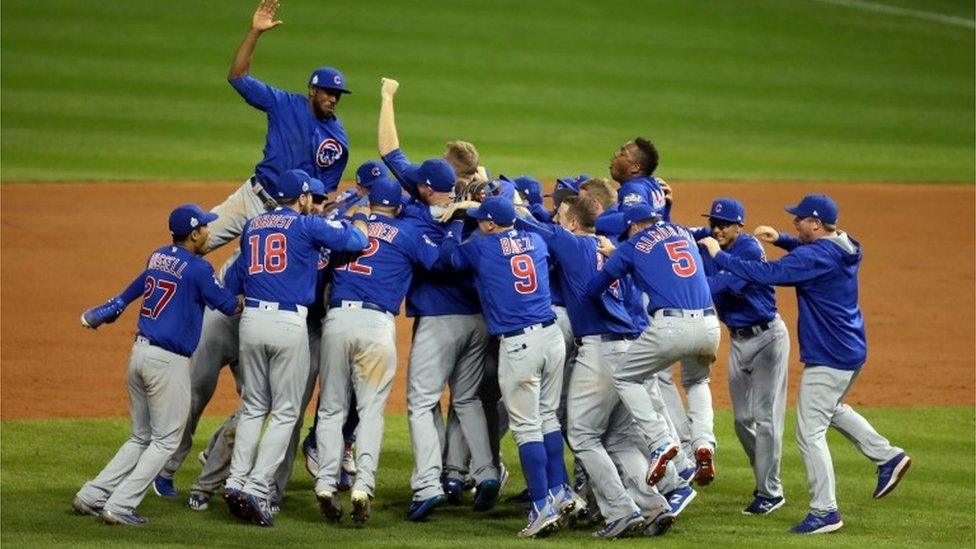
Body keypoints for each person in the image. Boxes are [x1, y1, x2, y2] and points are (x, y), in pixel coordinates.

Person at [698, 194, 911, 534]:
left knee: (809, 432)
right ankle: (888, 456)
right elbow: (808, 253)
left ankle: (825, 511)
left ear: (815, 223)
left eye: (798, 220)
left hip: (831, 354)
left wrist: (718, 255)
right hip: (850, 347)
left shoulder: (816, 256)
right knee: (830, 409)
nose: (793, 223)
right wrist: (782, 239)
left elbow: (768, 273)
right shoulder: (845, 245)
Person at [376, 77, 500, 519]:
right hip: (478, 320)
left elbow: (389, 151)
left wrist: (388, 97)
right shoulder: (487, 208)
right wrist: (478, 191)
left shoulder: (417, 207)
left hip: (440, 321)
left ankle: (427, 484)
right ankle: (485, 472)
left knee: (422, 401)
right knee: (467, 400)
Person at [517, 196, 675, 539]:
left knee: (583, 435)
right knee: (619, 437)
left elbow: (525, 223)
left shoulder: (571, 243)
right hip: (634, 347)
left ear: (573, 223)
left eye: (560, 217)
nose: (556, 222)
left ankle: (621, 510)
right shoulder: (614, 248)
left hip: (602, 352)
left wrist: (505, 199)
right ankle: (653, 506)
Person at [73, 205, 242, 525]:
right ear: (193, 234)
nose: (209, 232)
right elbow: (228, 305)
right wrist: (254, 295)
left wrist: (108, 309)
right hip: (167, 363)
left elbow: (129, 294)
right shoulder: (198, 269)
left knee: (141, 437)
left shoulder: (157, 257)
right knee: (166, 440)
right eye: (205, 228)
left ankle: (92, 495)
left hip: (139, 356)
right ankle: (120, 504)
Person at [223, 169, 369, 527]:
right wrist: (358, 218)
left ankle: (235, 481)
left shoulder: (254, 225)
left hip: (251, 322)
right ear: (303, 198)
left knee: (254, 406)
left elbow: (233, 278)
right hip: (289, 324)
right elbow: (354, 241)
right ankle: (257, 488)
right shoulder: (306, 225)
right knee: (286, 412)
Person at [313, 176, 447, 526]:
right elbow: (440, 263)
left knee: (330, 409)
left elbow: (321, 267)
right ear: (398, 207)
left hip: (338, 320)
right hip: (375, 326)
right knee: (371, 410)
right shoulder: (406, 233)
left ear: (370, 203)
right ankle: (362, 487)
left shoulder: (346, 226)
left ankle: (326, 483)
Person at [440, 197, 570, 538]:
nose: (480, 223)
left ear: (492, 224)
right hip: (552, 335)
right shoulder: (537, 240)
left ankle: (541, 507)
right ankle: (560, 492)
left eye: (483, 220)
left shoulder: (481, 247)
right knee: (547, 418)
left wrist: (454, 222)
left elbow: (447, 259)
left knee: (527, 428)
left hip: (520, 345)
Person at [587, 204, 721, 489]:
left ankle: (660, 440)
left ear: (634, 226)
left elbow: (595, 286)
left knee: (625, 376)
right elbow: (660, 263)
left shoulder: (632, 244)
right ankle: (704, 443)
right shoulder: (682, 232)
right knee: (698, 381)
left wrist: (616, 256)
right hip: (710, 325)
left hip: (671, 327)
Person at [207, 0, 352, 251]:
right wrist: (255, 32)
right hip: (251, 196)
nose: (332, 99)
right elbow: (238, 77)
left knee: (240, 277)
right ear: (312, 90)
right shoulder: (283, 103)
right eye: (328, 92)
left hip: (284, 218)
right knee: (198, 237)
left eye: (337, 94)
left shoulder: (337, 141)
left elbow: (322, 196)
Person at [690, 197, 791, 514]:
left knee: (766, 419)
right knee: (742, 420)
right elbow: (675, 232)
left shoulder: (749, 250)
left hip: (767, 339)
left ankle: (770, 491)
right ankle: (764, 475)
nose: (716, 229)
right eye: (713, 223)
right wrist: (666, 208)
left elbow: (722, 286)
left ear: (739, 226)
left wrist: (687, 286)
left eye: (724, 224)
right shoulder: (706, 240)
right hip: (737, 340)